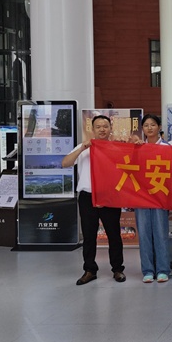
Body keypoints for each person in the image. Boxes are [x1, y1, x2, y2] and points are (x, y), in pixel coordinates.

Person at [62, 115, 126, 285]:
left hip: (109, 196)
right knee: (89, 235)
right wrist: (82, 148)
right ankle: (90, 270)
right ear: (92, 129)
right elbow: (65, 163)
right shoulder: (84, 147)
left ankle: (117, 269)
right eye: (98, 127)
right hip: (87, 196)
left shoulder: (116, 148)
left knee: (114, 234)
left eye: (105, 126)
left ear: (110, 128)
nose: (102, 129)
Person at [129, 114, 171, 283]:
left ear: (159, 127)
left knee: (161, 233)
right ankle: (147, 270)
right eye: (146, 125)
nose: (149, 128)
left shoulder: (168, 148)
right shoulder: (138, 147)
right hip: (141, 196)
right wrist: (134, 149)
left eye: (153, 125)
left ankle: (162, 269)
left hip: (161, 195)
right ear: (142, 129)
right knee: (144, 233)